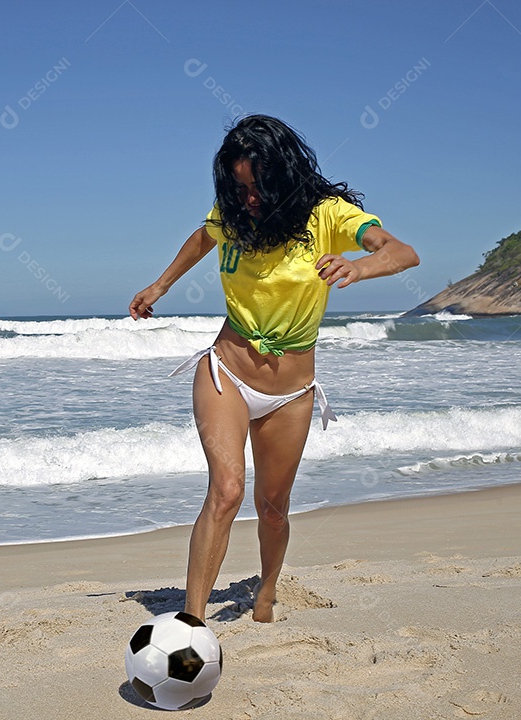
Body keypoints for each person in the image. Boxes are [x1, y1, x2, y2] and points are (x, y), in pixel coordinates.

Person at [128, 115, 419, 622]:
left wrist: (359, 266)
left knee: (273, 506)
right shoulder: (233, 214)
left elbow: (402, 252)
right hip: (228, 371)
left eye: (258, 186)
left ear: (283, 173)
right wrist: (161, 285)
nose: (250, 199)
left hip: (292, 391)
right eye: (238, 188)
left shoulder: (329, 214)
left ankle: (266, 592)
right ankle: (192, 623)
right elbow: (204, 237)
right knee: (226, 490)